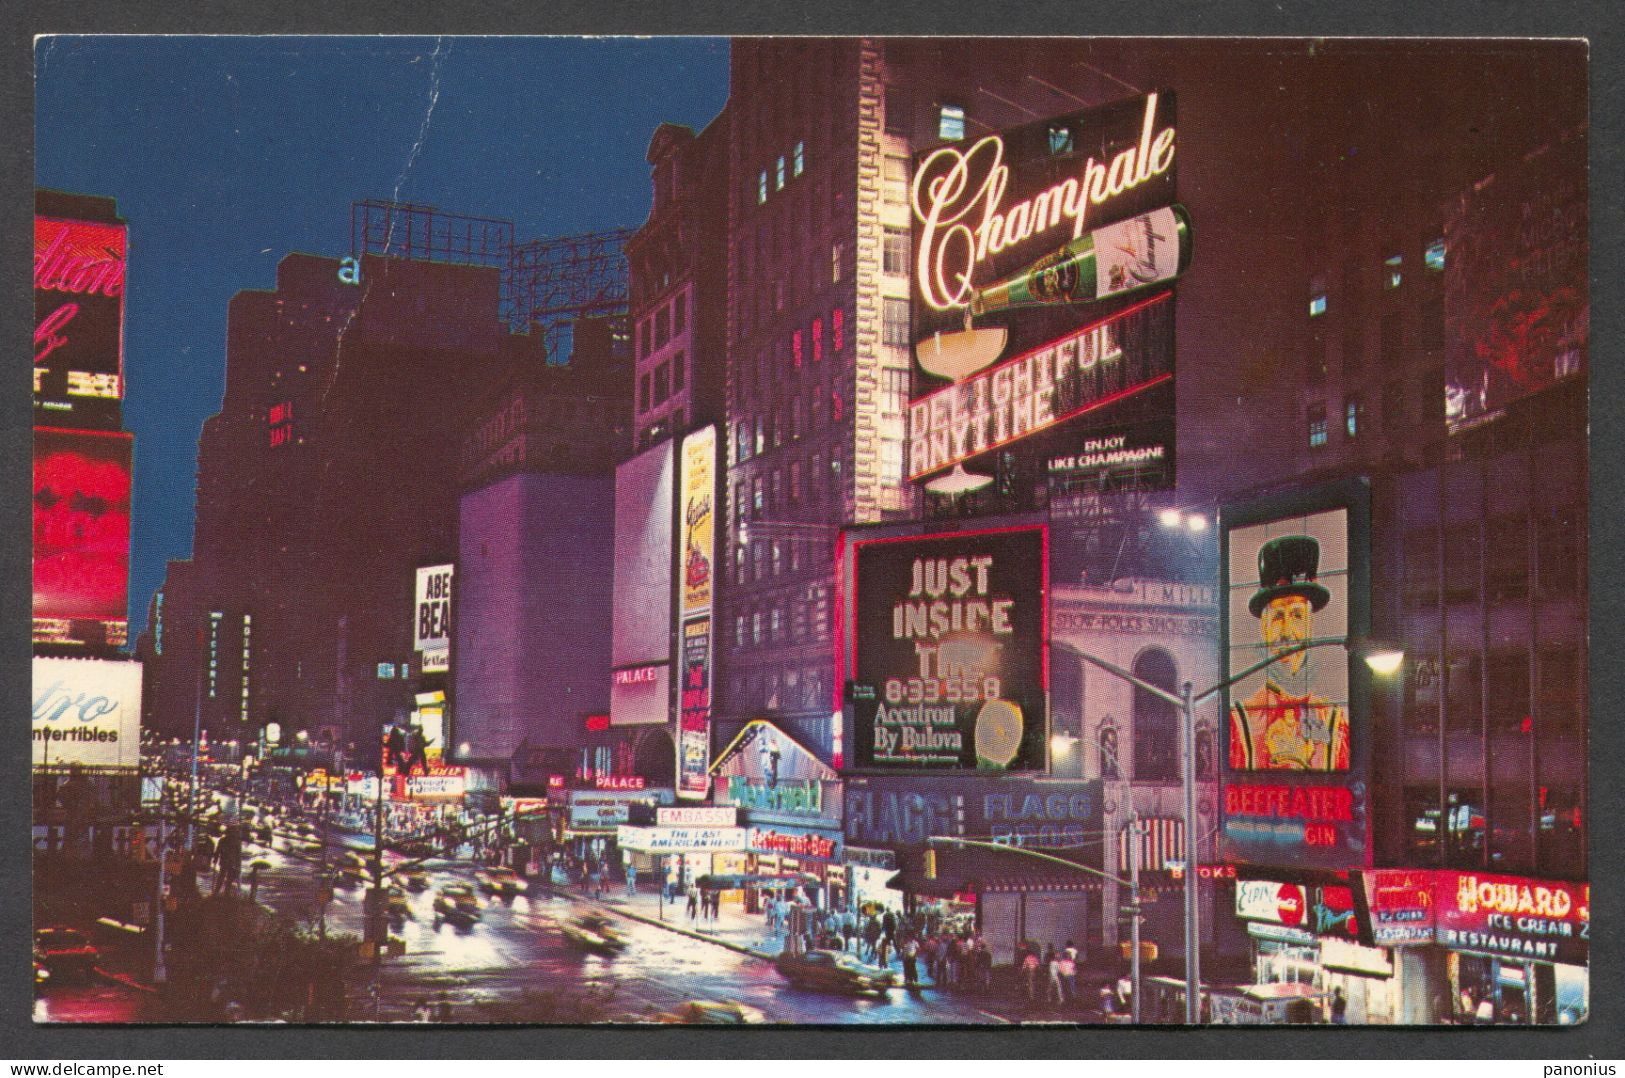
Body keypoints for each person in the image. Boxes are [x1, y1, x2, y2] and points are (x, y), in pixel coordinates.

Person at [1229, 535, 1350, 771]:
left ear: (1310, 625)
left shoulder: (1335, 720)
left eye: (1296, 615)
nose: (1286, 631)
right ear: (1264, 628)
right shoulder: (1241, 720)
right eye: (1277, 617)